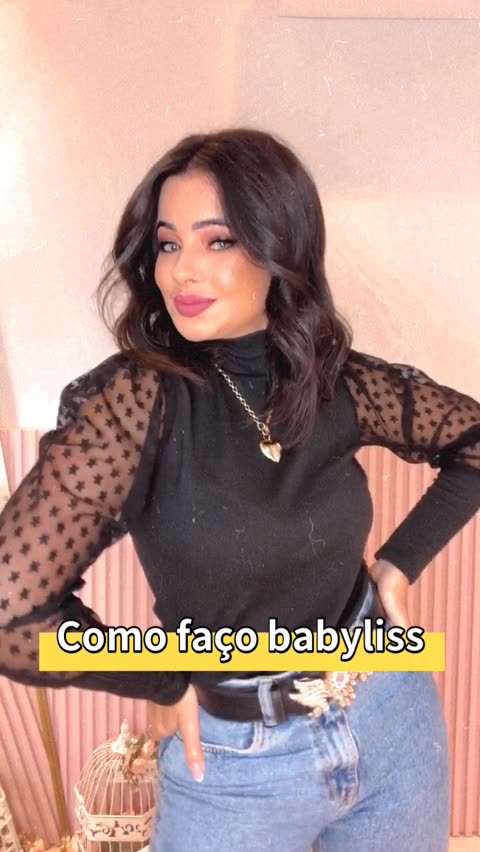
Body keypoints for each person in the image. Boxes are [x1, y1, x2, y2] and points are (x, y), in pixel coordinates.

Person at [0, 127, 479, 852]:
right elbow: (12, 613)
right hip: (230, 763)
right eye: (168, 244)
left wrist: (398, 563)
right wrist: (158, 678)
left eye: (217, 241)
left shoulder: (333, 379)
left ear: (280, 246)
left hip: (389, 712)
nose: (181, 271)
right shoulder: (133, 406)